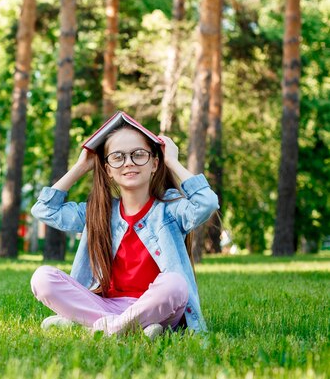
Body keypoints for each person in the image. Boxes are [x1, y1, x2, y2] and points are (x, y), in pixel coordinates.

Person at [30, 116, 219, 338]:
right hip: (106, 305)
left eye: (138, 155)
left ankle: (95, 327)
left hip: (158, 306)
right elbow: (44, 209)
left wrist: (173, 162)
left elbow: (207, 203)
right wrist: (81, 167)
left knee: (176, 283)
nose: (128, 162)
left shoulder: (170, 209)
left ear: (155, 164)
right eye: (117, 157)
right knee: (42, 278)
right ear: (108, 169)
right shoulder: (98, 212)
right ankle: (130, 328)